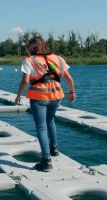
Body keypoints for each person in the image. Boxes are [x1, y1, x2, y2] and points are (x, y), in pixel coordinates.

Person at [15, 36, 76, 172]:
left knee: (41, 127)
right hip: (57, 95)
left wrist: (18, 95)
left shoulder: (28, 60)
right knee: (50, 121)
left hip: (39, 96)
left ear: (31, 47)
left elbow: (25, 81)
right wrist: (72, 92)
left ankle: (46, 160)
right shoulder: (58, 58)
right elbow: (69, 78)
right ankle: (54, 149)